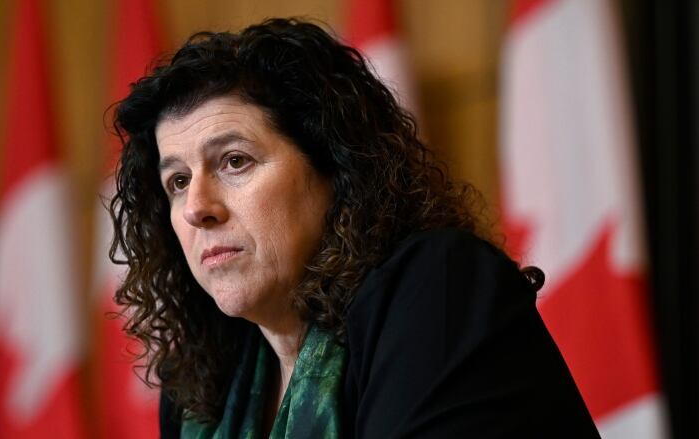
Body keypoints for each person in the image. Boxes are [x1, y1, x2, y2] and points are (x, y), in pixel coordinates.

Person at [109, 18, 600, 438]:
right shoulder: (199, 390)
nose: (197, 207)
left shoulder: (437, 290)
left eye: (234, 161)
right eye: (176, 181)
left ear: (336, 169)